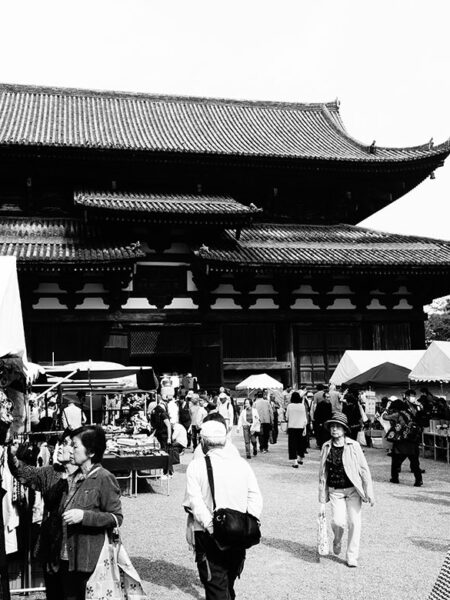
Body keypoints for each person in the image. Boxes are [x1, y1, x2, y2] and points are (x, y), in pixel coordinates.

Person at [184, 419, 263, 600]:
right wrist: (249, 521)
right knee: (229, 581)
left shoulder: (196, 466)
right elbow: (255, 496)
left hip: (207, 534)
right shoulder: (242, 464)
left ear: (203, 442)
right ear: (226, 441)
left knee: (216, 586)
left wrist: (212, 527)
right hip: (239, 532)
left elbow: (195, 502)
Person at [8, 430, 77, 600]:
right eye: (60, 443)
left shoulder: (91, 477)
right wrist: (12, 457)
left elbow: (112, 515)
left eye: (66, 444)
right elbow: (24, 473)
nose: (59, 448)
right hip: (53, 547)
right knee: (54, 592)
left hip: (77, 548)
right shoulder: (50, 472)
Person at [59, 426, 123, 600]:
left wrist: (84, 516)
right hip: (69, 558)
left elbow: (116, 517)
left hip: (89, 561)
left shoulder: (104, 478)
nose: (71, 450)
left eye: (75, 446)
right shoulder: (74, 477)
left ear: (91, 452)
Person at [318, 412, 374, 568]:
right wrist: (322, 495)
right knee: (338, 521)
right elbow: (322, 473)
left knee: (355, 523)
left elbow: (364, 469)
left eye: (338, 426)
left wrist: (369, 492)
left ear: (344, 429)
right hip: (335, 490)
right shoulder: (326, 446)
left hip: (353, 490)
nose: (334, 429)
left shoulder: (353, 445)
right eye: (332, 426)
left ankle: (351, 556)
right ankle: (337, 539)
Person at [382, 399, 424, 487]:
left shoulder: (397, 414)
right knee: (414, 461)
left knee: (395, 460)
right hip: (412, 440)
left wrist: (386, 409)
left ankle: (395, 478)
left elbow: (385, 417)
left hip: (401, 441)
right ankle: (418, 480)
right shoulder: (410, 412)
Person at [286, 391, 308, 467]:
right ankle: (300, 458)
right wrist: (305, 428)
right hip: (301, 427)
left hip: (292, 427)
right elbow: (305, 418)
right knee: (301, 443)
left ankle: (295, 461)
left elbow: (287, 417)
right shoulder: (302, 406)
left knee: (292, 444)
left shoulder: (289, 406)